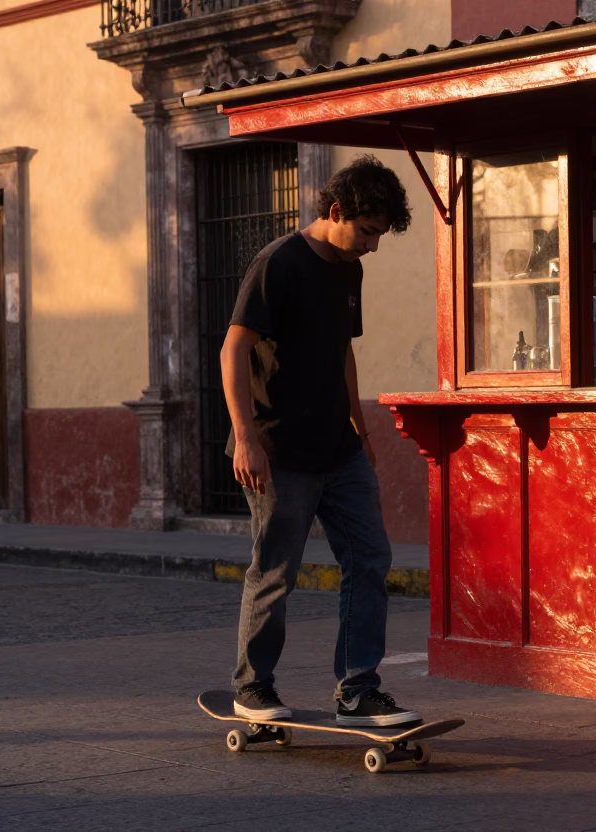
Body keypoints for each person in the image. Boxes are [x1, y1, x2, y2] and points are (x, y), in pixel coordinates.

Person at [220, 154, 420, 728]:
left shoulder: (349, 269)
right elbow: (234, 349)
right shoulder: (277, 264)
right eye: (368, 231)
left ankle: (358, 688)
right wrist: (245, 439)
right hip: (279, 450)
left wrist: (358, 422)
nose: (373, 246)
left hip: (339, 448)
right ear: (336, 211)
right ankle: (253, 687)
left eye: (381, 234)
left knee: (370, 559)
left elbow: (343, 348)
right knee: (276, 569)